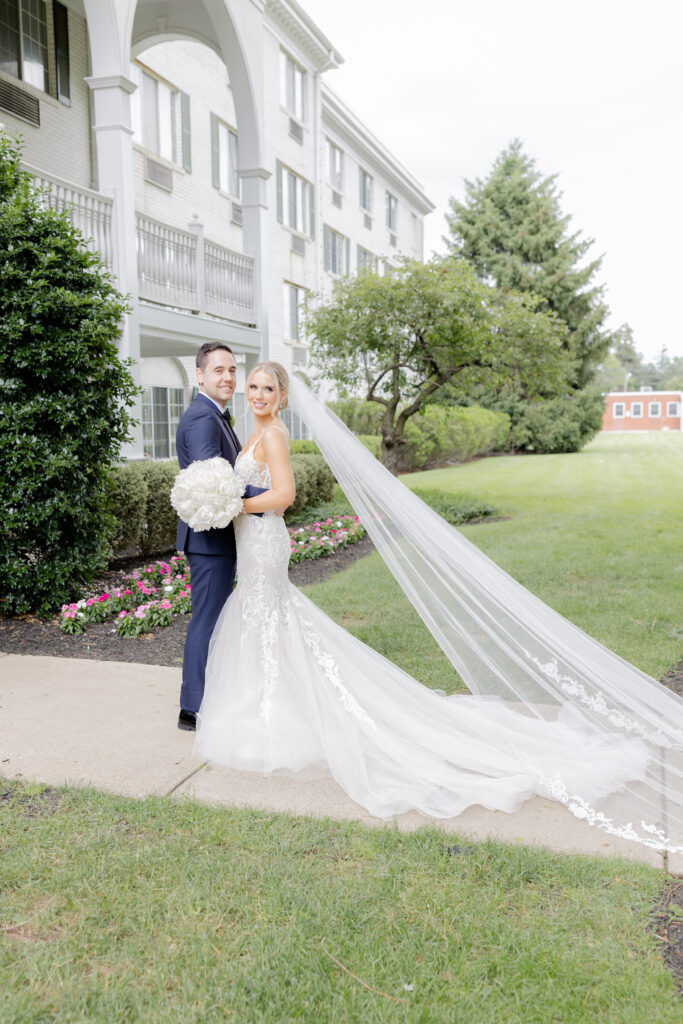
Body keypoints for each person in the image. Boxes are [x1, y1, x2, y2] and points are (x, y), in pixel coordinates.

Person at [193, 363, 677, 850]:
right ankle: (268, 706)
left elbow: (285, 494)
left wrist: (236, 504)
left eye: (266, 388)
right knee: (266, 620)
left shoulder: (273, 435)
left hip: (263, 542)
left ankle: (275, 712)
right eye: (252, 387)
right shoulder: (254, 433)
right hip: (254, 544)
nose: (256, 394)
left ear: (281, 395)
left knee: (268, 616)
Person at [174, 342, 265, 732]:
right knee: (207, 621)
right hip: (210, 542)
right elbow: (215, 483)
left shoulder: (217, 415)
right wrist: (269, 499)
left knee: (216, 620)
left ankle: (209, 695)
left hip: (221, 539)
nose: (227, 377)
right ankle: (192, 707)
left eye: (231, 370)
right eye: (218, 371)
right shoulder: (201, 419)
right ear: (200, 375)